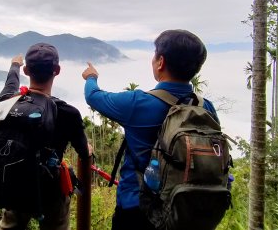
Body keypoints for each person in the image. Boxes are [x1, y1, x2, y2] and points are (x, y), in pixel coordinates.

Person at [81, 29, 218, 230]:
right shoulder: (205, 107)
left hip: (137, 208)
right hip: (186, 209)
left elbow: (93, 96)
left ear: (160, 62)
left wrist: (91, 77)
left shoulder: (138, 103)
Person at [0, 43, 90, 230]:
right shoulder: (68, 113)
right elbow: (84, 152)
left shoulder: (8, 102)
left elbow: (10, 85)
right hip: (50, 190)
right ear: (57, 70)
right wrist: (88, 149)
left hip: (14, 184)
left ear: (27, 70)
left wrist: (14, 65)